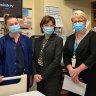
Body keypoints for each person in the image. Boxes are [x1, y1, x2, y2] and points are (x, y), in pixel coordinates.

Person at [63, 10, 96, 96]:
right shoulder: (70, 38)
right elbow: (65, 55)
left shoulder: (93, 36)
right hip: (72, 76)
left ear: (85, 22)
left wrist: (78, 70)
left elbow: (94, 55)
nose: (77, 23)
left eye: (80, 21)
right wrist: (71, 70)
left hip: (88, 76)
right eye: (75, 21)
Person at [0, 14, 32, 91]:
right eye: (11, 24)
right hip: (7, 77)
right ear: (6, 26)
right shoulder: (2, 41)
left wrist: (30, 76)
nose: (14, 26)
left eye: (16, 23)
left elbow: (30, 59)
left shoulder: (27, 40)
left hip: (24, 77)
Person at [32, 15, 63, 96]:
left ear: (54, 27)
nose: (49, 27)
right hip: (39, 76)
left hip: (53, 77)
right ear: (42, 26)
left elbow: (56, 61)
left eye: (51, 25)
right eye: (46, 25)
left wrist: (43, 76)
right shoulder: (37, 40)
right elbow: (34, 59)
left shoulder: (58, 40)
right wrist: (35, 74)